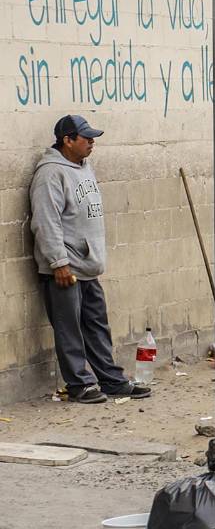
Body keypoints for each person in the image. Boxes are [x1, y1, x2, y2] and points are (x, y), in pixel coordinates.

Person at [30, 115, 147, 404]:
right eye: (86, 138)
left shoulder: (84, 167)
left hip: (88, 266)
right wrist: (59, 262)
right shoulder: (50, 174)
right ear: (67, 140)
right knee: (69, 328)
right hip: (65, 268)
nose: (92, 142)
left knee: (97, 326)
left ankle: (111, 379)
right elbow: (46, 221)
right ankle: (79, 385)